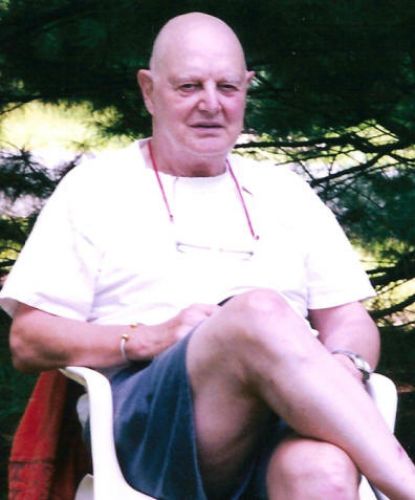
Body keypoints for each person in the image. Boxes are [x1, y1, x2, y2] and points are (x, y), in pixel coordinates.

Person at [1, 11, 415, 500]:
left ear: (247, 89)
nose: (211, 104)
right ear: (149, 90)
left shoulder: (285, 192)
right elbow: (29, 339)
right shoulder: (96, 188)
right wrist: (146, 338)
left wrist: (344, 364)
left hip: (284, 416)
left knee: (321, 470)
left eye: (228, 87)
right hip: (149, 426)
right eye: (189, 86)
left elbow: (348, 317)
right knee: (258, 311)